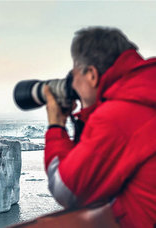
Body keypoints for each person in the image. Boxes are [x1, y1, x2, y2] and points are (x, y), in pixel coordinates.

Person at [44, 26, 156, 227]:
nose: (73, 84)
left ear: (92, 75)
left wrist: (56, 126)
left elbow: (66, 189)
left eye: (75, 73)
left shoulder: (119, 114)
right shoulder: (145, 95)